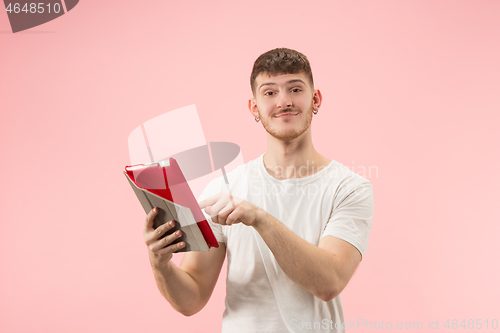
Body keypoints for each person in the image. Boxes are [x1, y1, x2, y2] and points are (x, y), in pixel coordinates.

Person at [142, 48, 374, 332]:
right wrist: (161, 263)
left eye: (295, 89)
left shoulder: (349, 188)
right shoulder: (224, 188)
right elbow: (191, 299)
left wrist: (259, 219)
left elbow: (329, 283)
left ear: (316, 100)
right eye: (269, 93)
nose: (284, 101)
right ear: (254, 108)